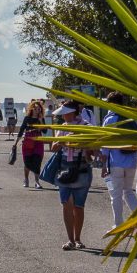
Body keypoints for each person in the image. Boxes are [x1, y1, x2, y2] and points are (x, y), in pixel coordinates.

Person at [52, 102, 94, 249]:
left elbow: (93, 148)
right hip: (64, 169)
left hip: (81, 169)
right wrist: (62, 141)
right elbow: (53, 147)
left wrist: (79, 142)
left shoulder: (87, 127)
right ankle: (70, 240)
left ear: (73, 112)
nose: (63, 115)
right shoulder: (63, 127)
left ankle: (78, 239)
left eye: (66, 113)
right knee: (66, 204)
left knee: (78, 207)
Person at [100, 91, 137, 229]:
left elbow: (105, 144)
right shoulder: (131, 118)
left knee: (115, 195)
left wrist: (104, 165)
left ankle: (118, 224)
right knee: (128, 191)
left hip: (115, 162)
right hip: (132, 161)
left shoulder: (109, 119)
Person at [15, 99, 46, 188]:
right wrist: (16, 142)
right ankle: (26, 179)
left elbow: (45, 131)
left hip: (38, 141)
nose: (38, 110)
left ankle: (37, 181)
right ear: (32, 109)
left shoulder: (41, 119)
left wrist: (40, 121)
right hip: (28, 140)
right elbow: (21, 130)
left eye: (39, 109)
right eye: (36, 108)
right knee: (27, 162)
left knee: (37, 161)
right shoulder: (27, 118)